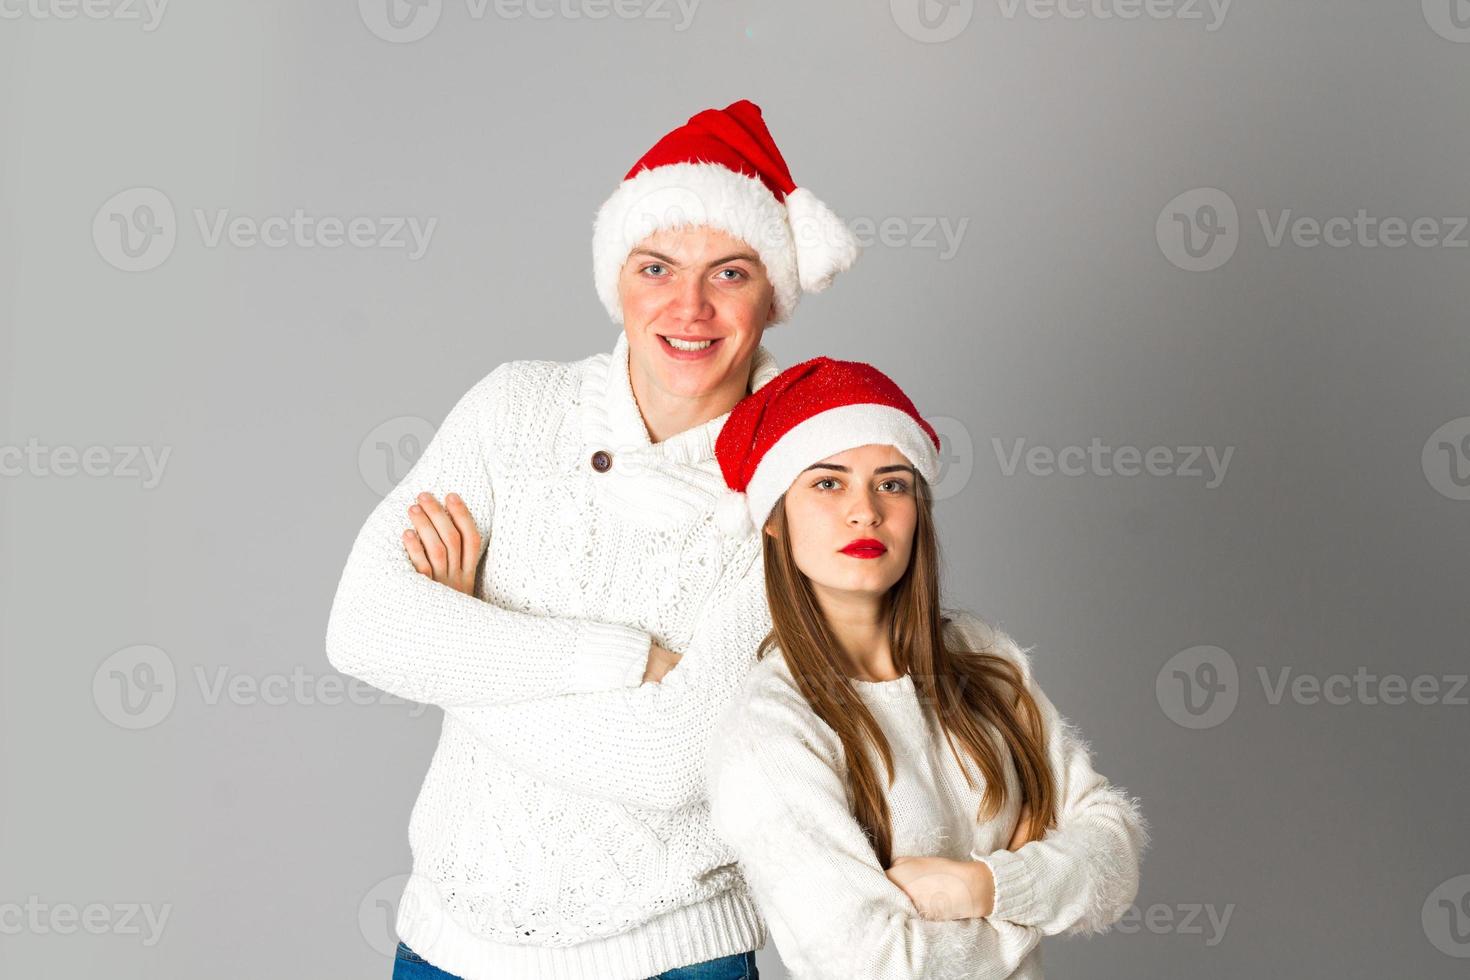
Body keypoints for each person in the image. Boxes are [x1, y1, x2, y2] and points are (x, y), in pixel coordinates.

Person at [324, 99, 860, 980]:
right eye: (657, 266)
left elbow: (673, 761)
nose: (688, 306)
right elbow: (363, 627)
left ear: (774, 295)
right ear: (618, 278)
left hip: (674, 958)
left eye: (730, 273)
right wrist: (621, 660)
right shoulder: (514, 408)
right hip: (448, 946)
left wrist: (465, 641)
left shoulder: (795, 487)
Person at [703, 357, 1150, 979]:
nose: (866, 511)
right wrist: (1033, 904)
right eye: (827, 483)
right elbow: (878, 963)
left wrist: (978, 889)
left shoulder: (982, 657)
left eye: (892, 484)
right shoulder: (770, 730)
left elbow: (1114, 854)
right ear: (774, 518)